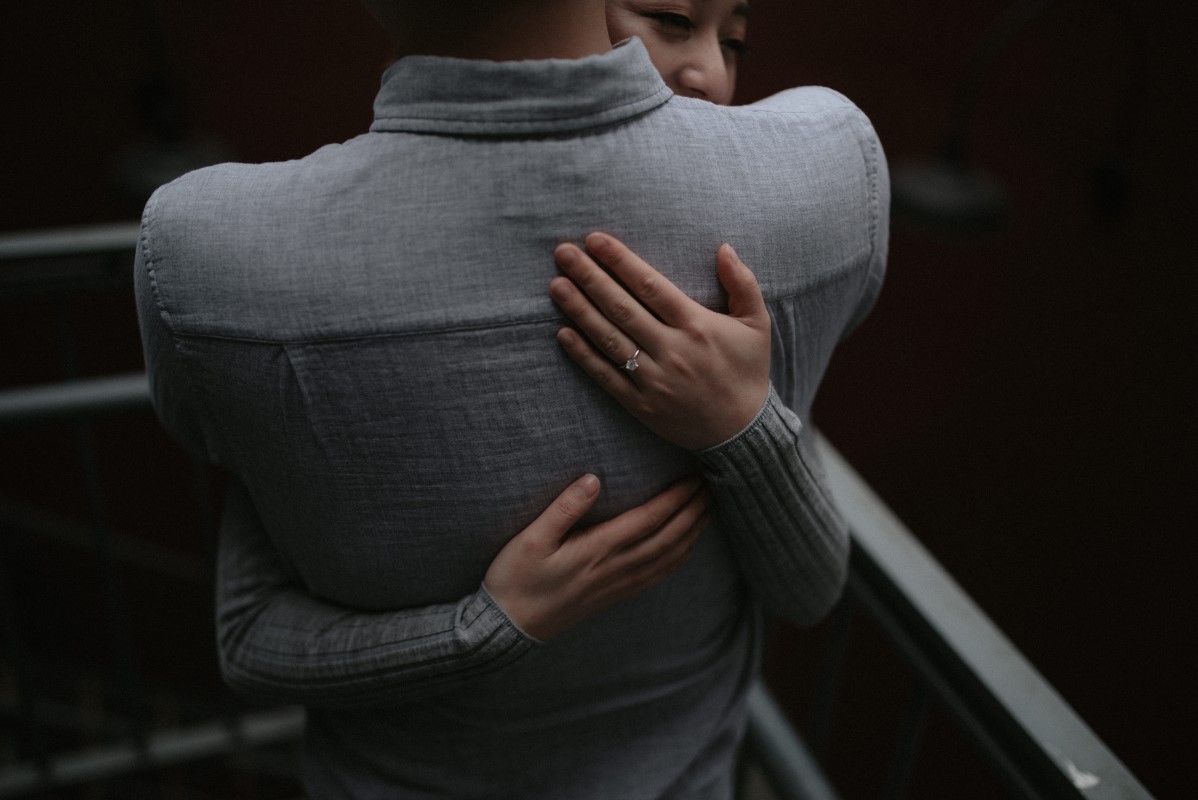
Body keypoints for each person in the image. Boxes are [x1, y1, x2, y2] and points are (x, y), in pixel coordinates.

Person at [135, 0, 889, 796]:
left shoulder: (205, 262)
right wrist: (485, 628)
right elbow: (245, 639)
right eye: (669, 18)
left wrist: (743, 426)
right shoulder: (822, 168)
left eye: (731, 39)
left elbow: (249, 631)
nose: (706, 70)